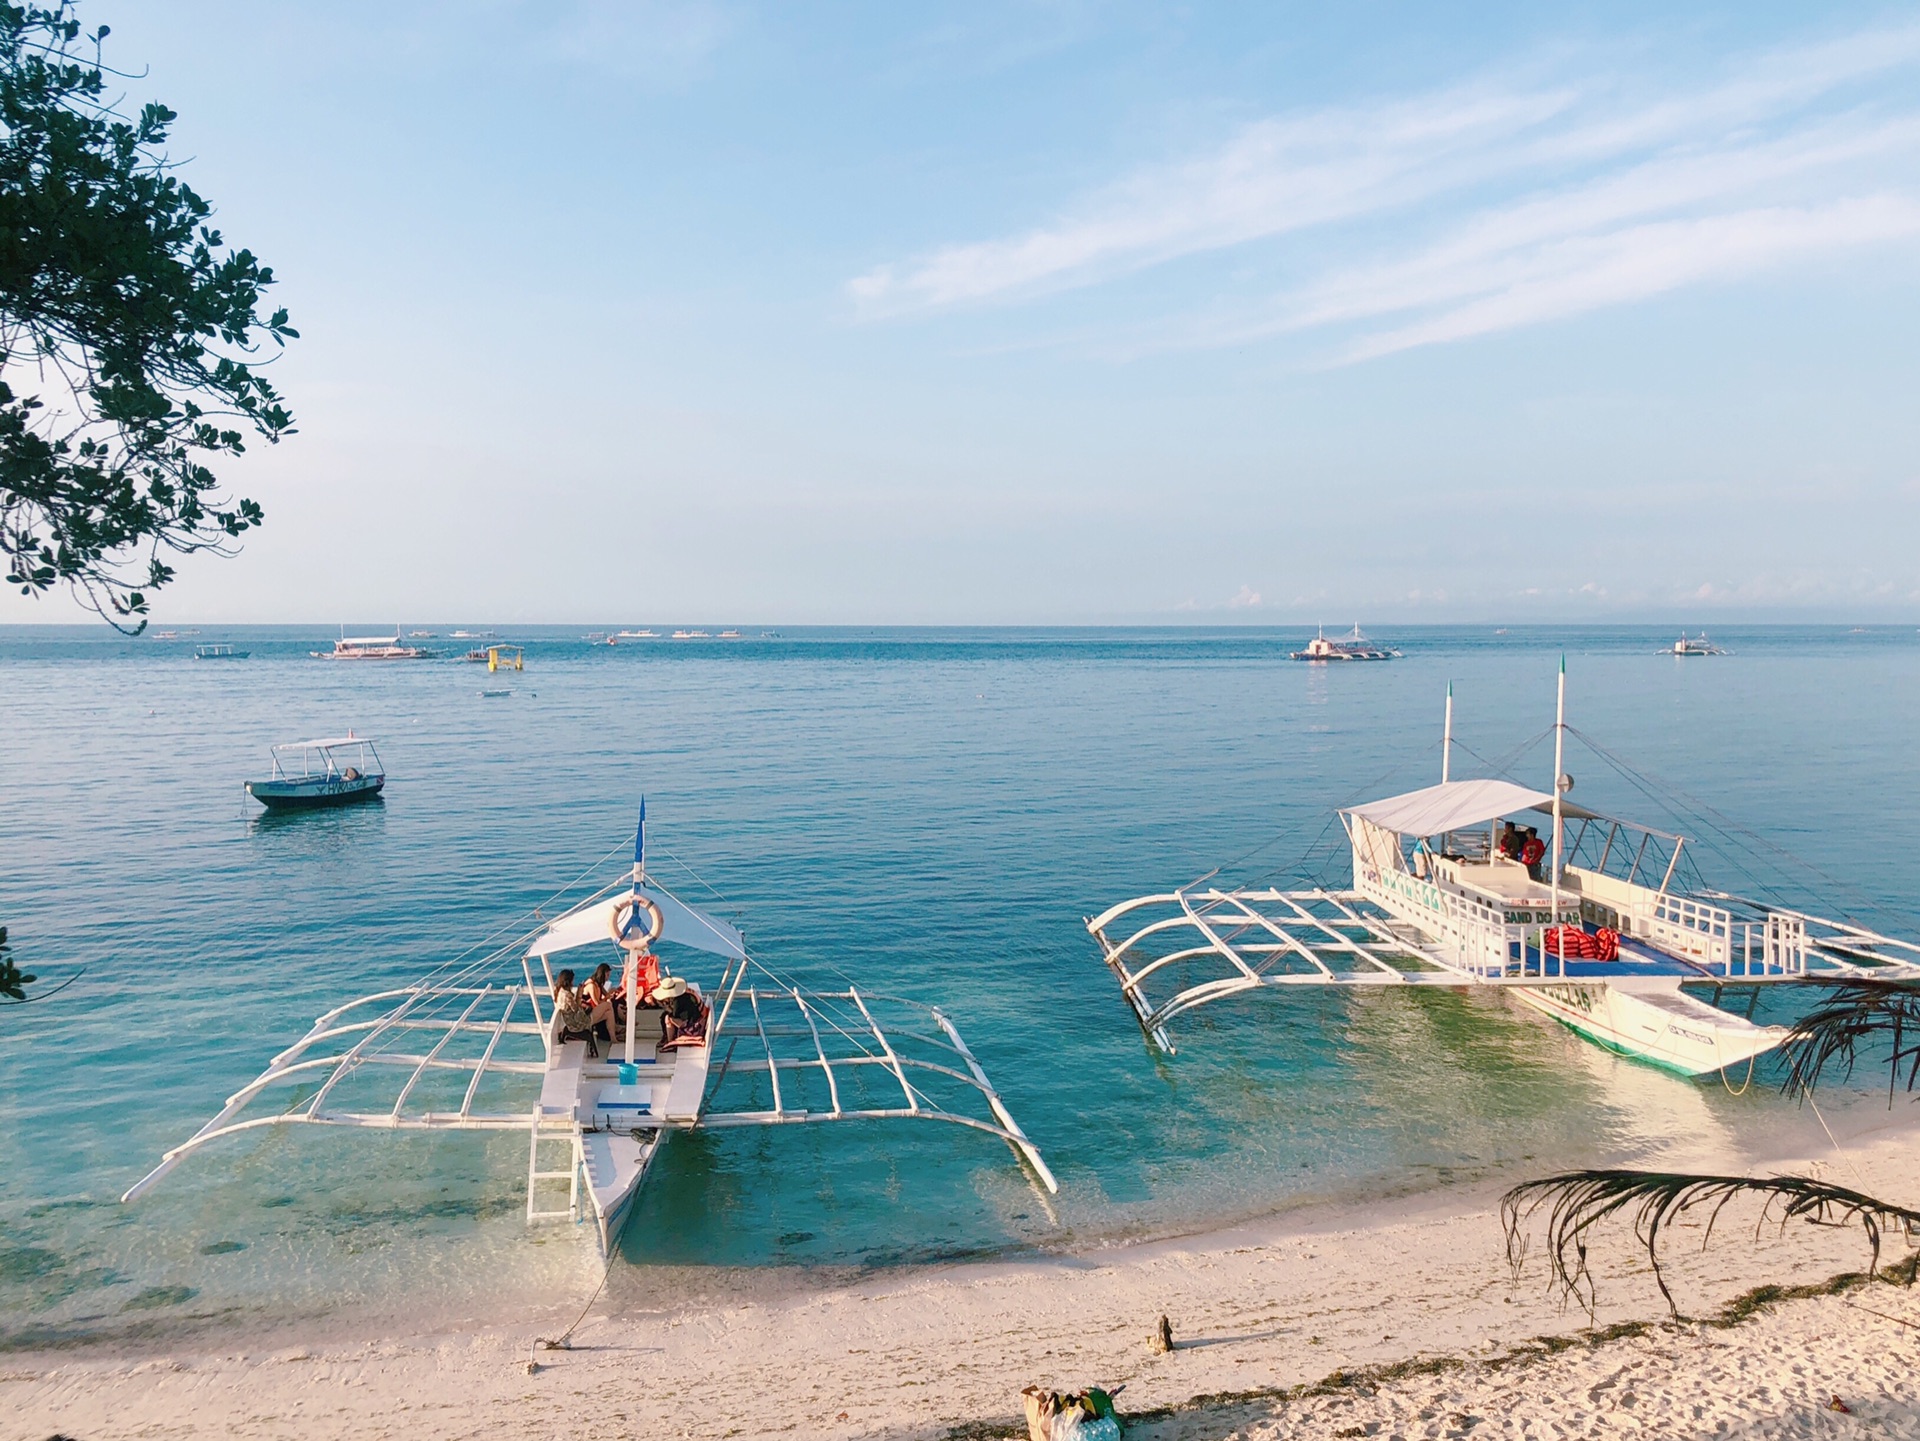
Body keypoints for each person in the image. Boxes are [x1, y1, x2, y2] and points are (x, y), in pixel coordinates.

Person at [653, 974, 708, 1047]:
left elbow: (675, 1015)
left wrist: (666, 1007)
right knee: (665, 1015)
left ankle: (669, 1040)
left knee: (667, 1018)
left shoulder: (678, 1002)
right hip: (697, 1019)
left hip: (693, 1026)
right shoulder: (686, 995)